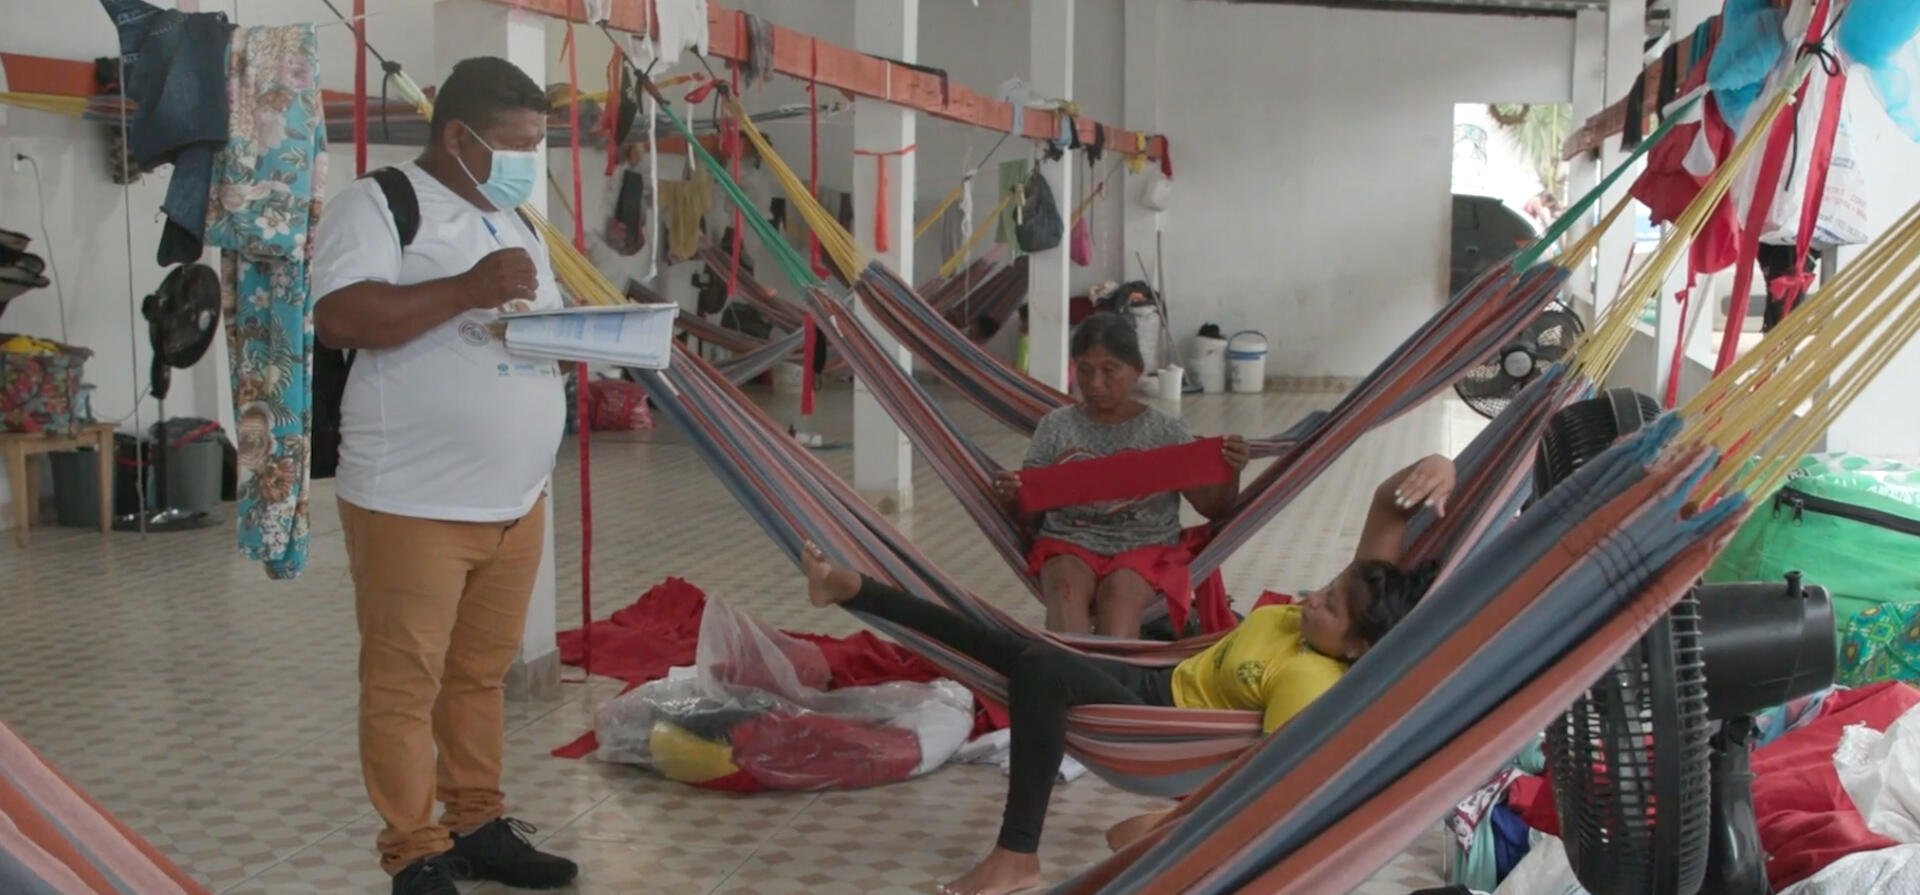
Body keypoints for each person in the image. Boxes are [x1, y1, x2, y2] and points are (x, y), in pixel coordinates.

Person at [802, 453, 1454, 895]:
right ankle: (854, 588)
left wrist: (1168, 826)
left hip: (1160, 725)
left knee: (1038, 667)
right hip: (1151, 679)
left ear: (1356, 649)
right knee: (1011, 646)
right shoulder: (1354, 607)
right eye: (1327, 587)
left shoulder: (1312, 679)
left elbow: (1269, 777)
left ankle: (1016, 855)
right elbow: (1388, 506)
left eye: (1331, 607)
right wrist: (1441, 465)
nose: (1314, 599)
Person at [311, 57, 578, 895]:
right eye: (515, 145)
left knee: (478, 676)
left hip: (516, 500)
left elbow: (537, 322)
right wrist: (466, 289)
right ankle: (415, 851)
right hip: (411, 499)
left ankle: (476, 822)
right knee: (403, 683)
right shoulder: (378, 204)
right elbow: (339, 317)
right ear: (457, 137)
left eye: (536, 146)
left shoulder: (517, 219)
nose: (526, 162)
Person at [992, 312, 1248, 638]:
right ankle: (1073, 665)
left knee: (1120, 599)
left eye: (1109, 370)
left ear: (1136, 371)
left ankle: (1107, 667)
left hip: (1146, 546)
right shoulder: (1056, 426)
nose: (1095, 383)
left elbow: (1212, 508)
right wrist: (1013, 497)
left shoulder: (1165, 430)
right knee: (1064, 590)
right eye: (1085, 369)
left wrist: (1231, 471)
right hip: (1069, 541)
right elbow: (1030, 515)